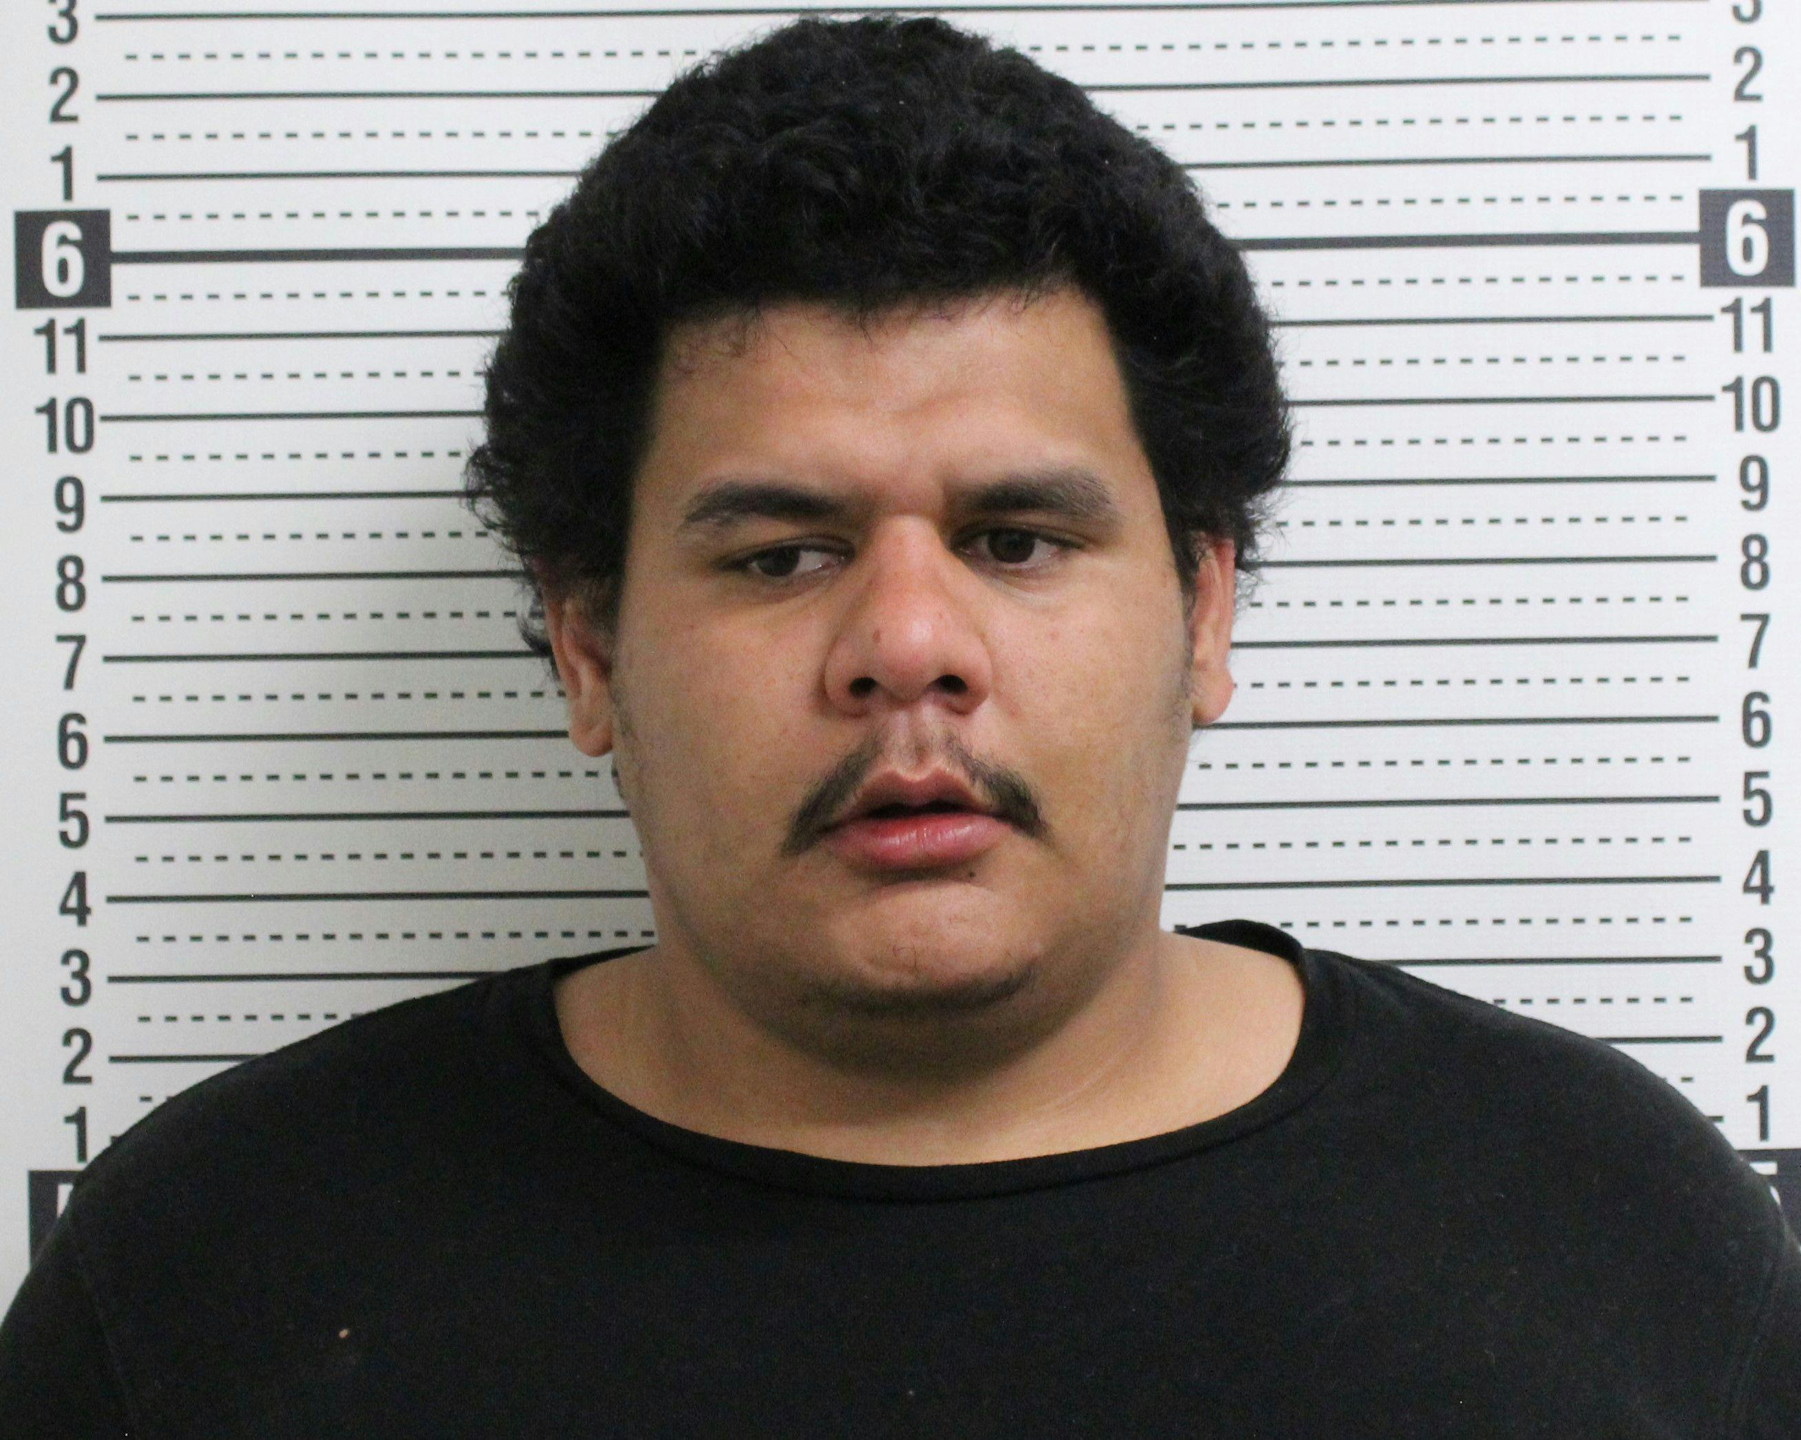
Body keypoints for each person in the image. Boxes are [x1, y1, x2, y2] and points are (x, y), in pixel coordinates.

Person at [2, 15, 1796, 1436]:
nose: (906, 646)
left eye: (1016, 539)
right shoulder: (209, 1272)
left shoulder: (1605, 1229)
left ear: (1203, 611)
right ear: (588, 648)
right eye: (780, 554)